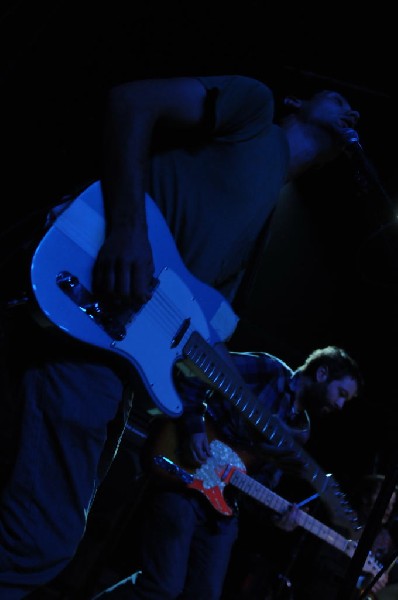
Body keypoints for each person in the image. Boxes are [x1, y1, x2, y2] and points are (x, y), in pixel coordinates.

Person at [0, 74, 360, 599]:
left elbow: (199, 337)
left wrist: (286, 447)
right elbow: (130, 100)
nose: (353, 111)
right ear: (299, 102)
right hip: (93, 297)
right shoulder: (255, 113)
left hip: (114, 349)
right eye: (340, 96)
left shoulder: (258, 230)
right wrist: (126, 229)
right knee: (40, 540)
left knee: (54, 532)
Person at [92, 344, 363, 599]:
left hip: (221, 507)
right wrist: (195, 428)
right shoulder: (268, 370)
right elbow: (196, 370)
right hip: (184, 477)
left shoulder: (301, 430)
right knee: (162, 587)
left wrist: (278, 515)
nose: (340, 405)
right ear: (322, 373)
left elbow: (258, 479)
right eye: (341, 393)